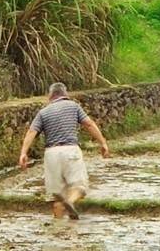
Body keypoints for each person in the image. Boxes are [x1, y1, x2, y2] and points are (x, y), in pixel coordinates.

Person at [17, 82, 110, 221]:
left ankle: (60, 232)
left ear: (50, 95)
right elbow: (89, 124)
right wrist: (103, 143)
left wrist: (23, 153)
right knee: (80, 187)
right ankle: (71, 201)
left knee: (58, 196)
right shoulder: (73, 106)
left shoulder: (44, 112)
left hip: (51, 154)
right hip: (70, 150)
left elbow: (32, 131)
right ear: (65, 94)